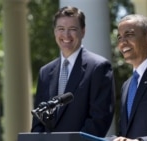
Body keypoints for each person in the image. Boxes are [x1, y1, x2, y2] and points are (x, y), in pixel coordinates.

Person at [31, 6, 115, 137]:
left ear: (83, 31)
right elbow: (38, 121)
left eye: (72, 29)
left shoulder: (99, 67)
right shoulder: (45, 72)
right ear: (54, 32)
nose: (66, 35)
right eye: (61, 29)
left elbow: (99, 119)